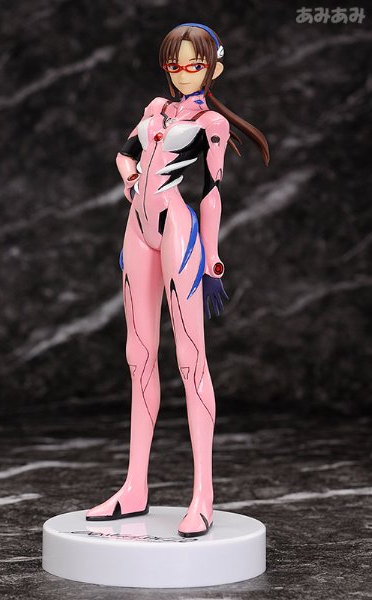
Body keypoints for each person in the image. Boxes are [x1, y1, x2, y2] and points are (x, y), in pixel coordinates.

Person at [86, 23, 269, 537]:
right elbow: (124, 153)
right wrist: (129, 178)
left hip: (176, 229)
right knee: (138, 354)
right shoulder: (155, 110)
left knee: (190, 358)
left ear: (214, 68)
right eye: (175, 64)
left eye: (194, 64)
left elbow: (211, 191)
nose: (183, 73)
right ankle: (134, 487)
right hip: (137, 229)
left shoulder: (212, 123)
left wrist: (213, 254)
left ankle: (203, 494)